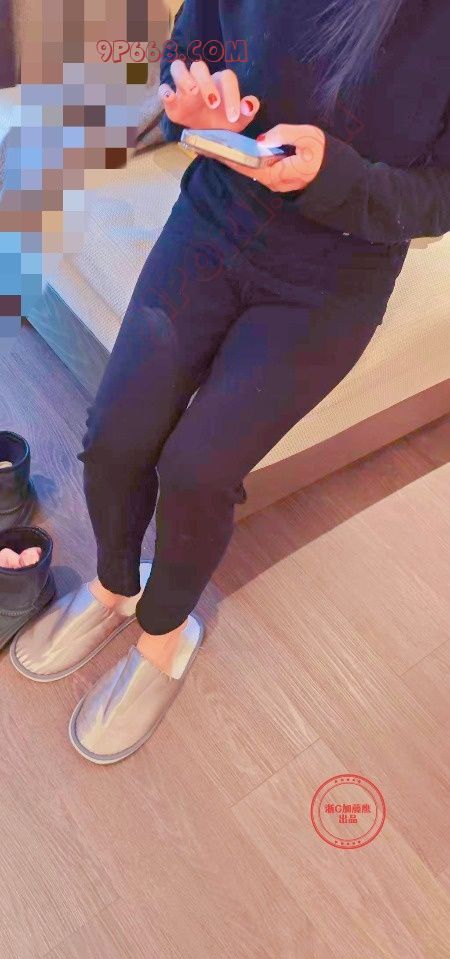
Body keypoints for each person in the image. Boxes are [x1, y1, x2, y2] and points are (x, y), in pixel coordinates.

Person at [11, 0, 450, 763]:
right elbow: (195, 39)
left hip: (334, 279)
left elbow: (440, 195)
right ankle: (115, 586)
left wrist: (337, 176)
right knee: (115, 434)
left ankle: (164, 635)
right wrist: (188, 95)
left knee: (198, 470)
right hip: (212, 220)